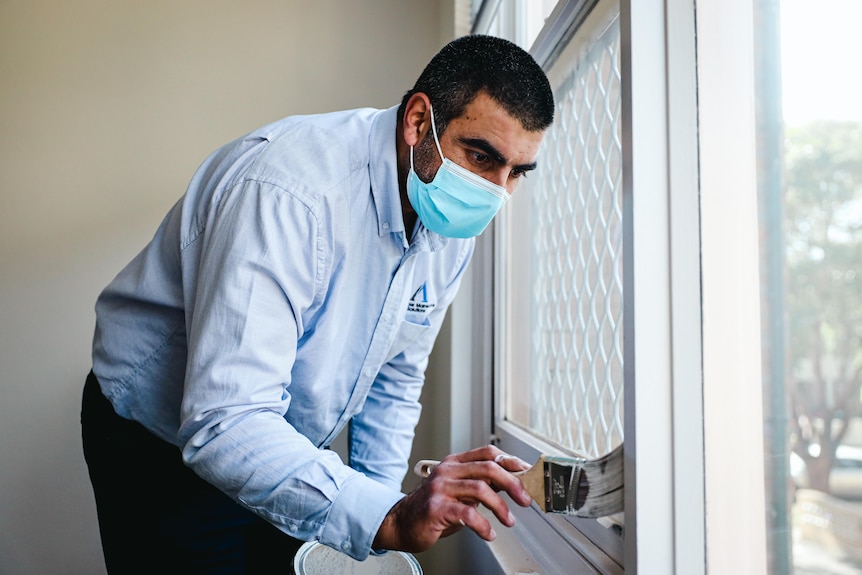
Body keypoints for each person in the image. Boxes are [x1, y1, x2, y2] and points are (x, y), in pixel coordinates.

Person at [81, 33, 555, 573]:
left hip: (280, 438)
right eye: (481, 157)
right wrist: (389, 517)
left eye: (515, 172)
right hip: (159, 438)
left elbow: (393, 378)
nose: (495, 193)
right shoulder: (288, 192)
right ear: (419, 122)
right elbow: (225, 422)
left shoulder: (452, 219)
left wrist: (378, 532)